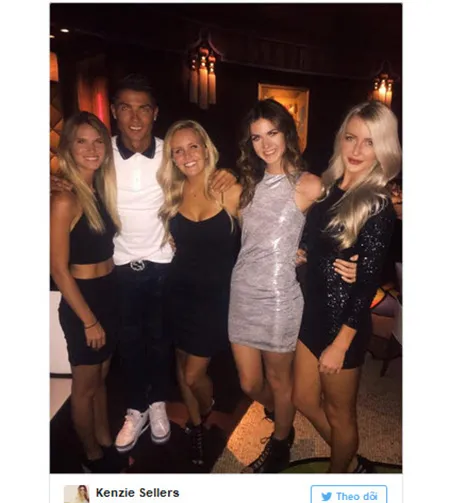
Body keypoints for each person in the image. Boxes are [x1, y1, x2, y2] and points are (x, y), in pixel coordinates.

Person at [52, 75, 235, 459]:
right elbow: (73, 180)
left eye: (143, 108)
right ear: (114, 112)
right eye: (126, 108)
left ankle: (158, 404)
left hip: (165, 264)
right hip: (119, 267)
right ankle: (136, 408)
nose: (135, 118)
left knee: (161, 341)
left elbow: (203, 172)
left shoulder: (171, 153)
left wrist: (228, 173)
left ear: (155, 113)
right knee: (130, 344)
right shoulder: (102, 154)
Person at [228, 99, 357, 472]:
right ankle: (281, 413)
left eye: (272, 133)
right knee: (249, 383)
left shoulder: (308, 184)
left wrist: (330, 255)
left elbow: (344, 222)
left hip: (280, 296)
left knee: (279, 380)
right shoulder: (246, 185)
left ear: (287, 133)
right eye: (256, 137)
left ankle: (280, 442)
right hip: (242, 292)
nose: (265, 144)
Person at [293, 100, 401, 473]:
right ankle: (350, 458)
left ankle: (339, 476)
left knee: (342, 416)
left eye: (369, 142)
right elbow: (317, 238)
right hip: (312, 314)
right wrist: (305, 252)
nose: (356, 150)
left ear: (383, 148)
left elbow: (365, 285)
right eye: (351, 138)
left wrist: (341, 345)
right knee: (303, 398)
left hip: (344, 323)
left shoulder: (377, 204)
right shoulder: (328, 188)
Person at [158, 120, 241, 464]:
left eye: (193, 146)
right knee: (181, 364)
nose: (187, 155)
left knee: (194, 375)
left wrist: (301, 249)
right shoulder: (170, 192)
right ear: (172, 158)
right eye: (178, 150)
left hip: (215, 299)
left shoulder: (230, 190)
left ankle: (206, 408)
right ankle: (195, 426)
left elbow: (269, 226)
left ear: (206, 148)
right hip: (178, 291)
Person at [50, 112, 122, 473]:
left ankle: (105, 439)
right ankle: (91, 456)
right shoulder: (64, 199)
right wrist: (89, 321)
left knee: (101, 378)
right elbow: (58, 269)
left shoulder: (99, 190)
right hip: (83, 301)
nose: (92, 149)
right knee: (84, 386)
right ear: (68, 148)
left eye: (98, 141)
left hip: (108, 292)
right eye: (81, 141)